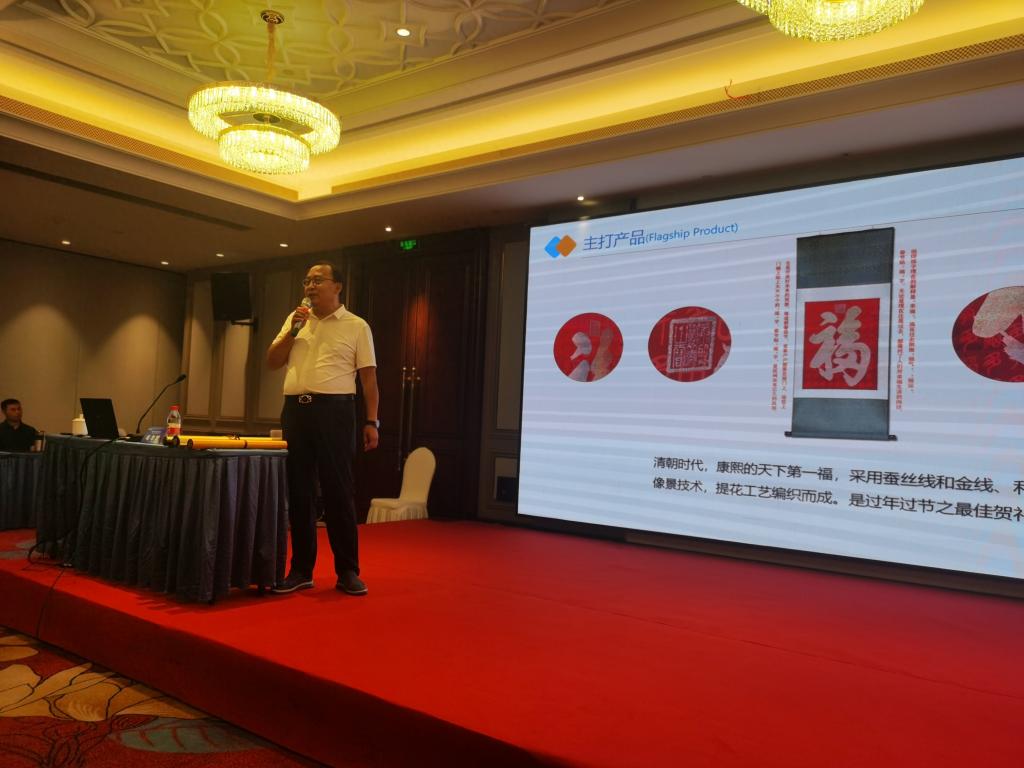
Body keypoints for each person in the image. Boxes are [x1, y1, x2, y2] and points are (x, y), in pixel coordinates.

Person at [266, 261, 379, 596]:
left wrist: (371, 421)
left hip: (336, 412)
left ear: (337, 286)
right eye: (307, 281)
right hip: (296, 411)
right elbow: (272, 361)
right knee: (298, 491)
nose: (310, 286)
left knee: (337, 490)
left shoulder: (357, 326)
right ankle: (301, 570)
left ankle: (347, 571)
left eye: (318, 280)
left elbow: (369, 380)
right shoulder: (295, 319)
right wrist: (293, 331)